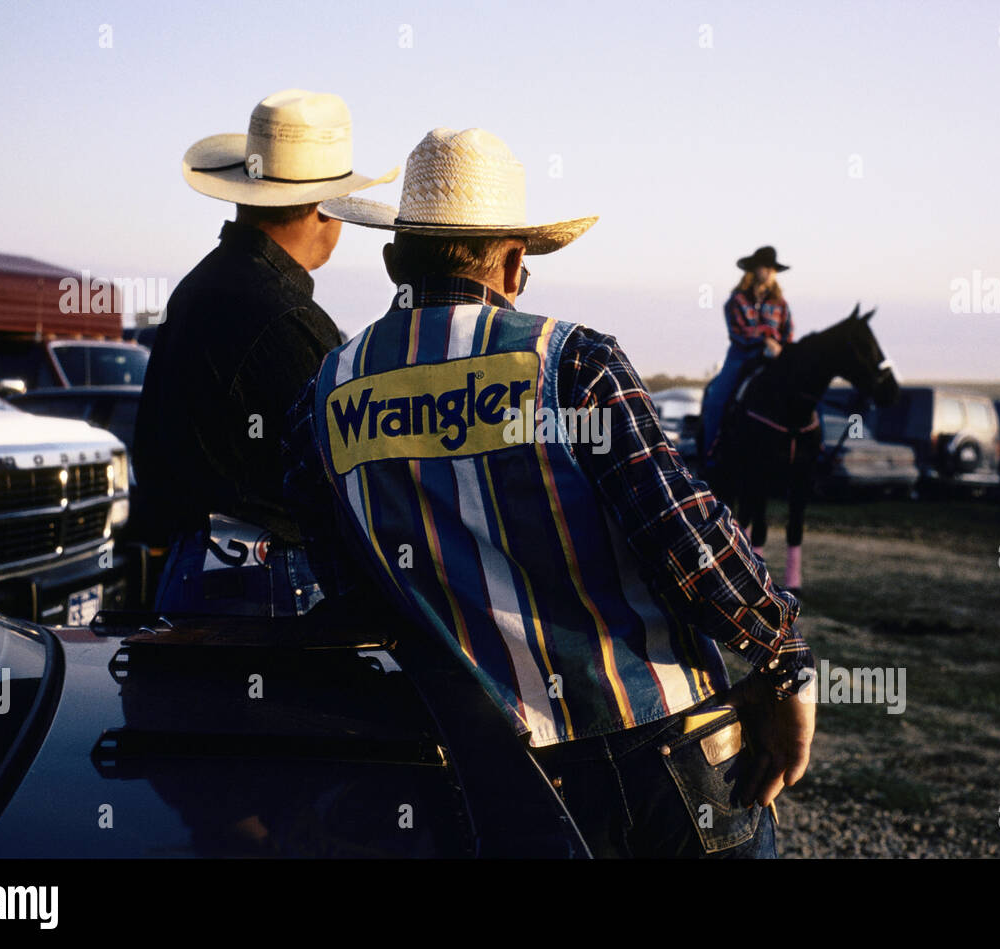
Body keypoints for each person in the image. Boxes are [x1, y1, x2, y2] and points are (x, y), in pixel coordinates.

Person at [281, 127, 815, 858]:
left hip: (487, 776)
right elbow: (687, 538)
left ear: (391, 258)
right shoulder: (571, 361)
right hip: (662, 749)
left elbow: (352, 594)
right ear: (514, 261)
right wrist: (783, 658)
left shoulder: (321, 396)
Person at [134, 89, 396, 616]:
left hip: (191, 569)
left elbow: (150, 452)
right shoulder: (289, 319)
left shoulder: (197, 289)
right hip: (268, 580)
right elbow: (348, 480)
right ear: (326, 209)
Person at [699, 246, 795, 475]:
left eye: (773, 269)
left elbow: (788, 330)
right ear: (755, 270)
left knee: (803, 391)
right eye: (767, 268)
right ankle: (710, 454)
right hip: (742, 355)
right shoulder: (737, 300)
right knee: (716, 399)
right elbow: (738, 333)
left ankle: (811, 451)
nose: (771, 273)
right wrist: (765, 339)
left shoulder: (780, 303)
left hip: (775, 357)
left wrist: (781, 346)